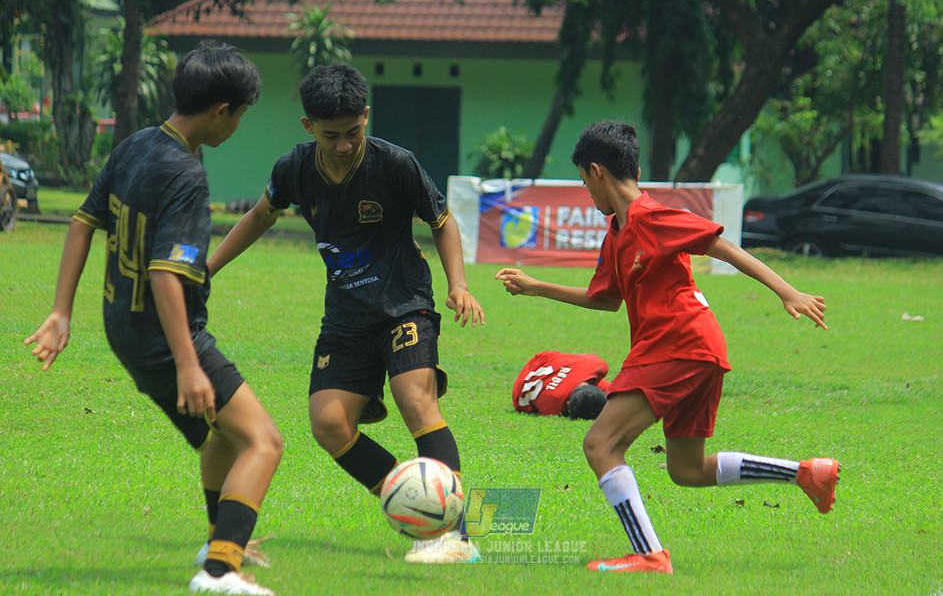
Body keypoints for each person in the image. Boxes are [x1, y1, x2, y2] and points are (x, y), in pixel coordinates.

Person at [495, 120, 840, 574]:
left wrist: (787, 291)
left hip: (677, 342)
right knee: (686, 469)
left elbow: (723, 248)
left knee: (601, 444)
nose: (587, 194)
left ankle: (649, 555)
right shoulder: (616, 232)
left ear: (597, 171)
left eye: (584, 182)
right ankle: (806, 473)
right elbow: (605, 299)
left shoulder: (650, 216)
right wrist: (536, 286)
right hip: (697, 348)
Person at [24, 42, 283, 595]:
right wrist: (188, 365)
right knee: (263, 441)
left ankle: (219, 542)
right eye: (240, 115)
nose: (237, 125)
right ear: (221, 111)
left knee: (222, 437)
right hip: (166, 337)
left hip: (124, 327)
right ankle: (220, 572)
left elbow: (82, 221)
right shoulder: (186, 174)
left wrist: (61, 312)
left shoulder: (136, 144)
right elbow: (166, 275)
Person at [208, 63, 485, 565]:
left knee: (414, 398)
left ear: (366, 117)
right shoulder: (293, 169)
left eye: (353, 132)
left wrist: (458, 285)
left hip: (405, 304)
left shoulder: (395, 164)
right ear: (308, 126)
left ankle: (455, 535)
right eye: (330, 135)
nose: (343, 145)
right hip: (345, 316)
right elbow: (260, 216)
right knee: (329, 424)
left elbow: (442, 221)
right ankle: (418, 501)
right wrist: (208, 269)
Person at [512, 351, 611, 419]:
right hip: (519, 389)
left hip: (542, 360)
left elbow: (585, 356)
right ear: (567, 404)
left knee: (611, 391)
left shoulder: (597, 364)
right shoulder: (553, 408)